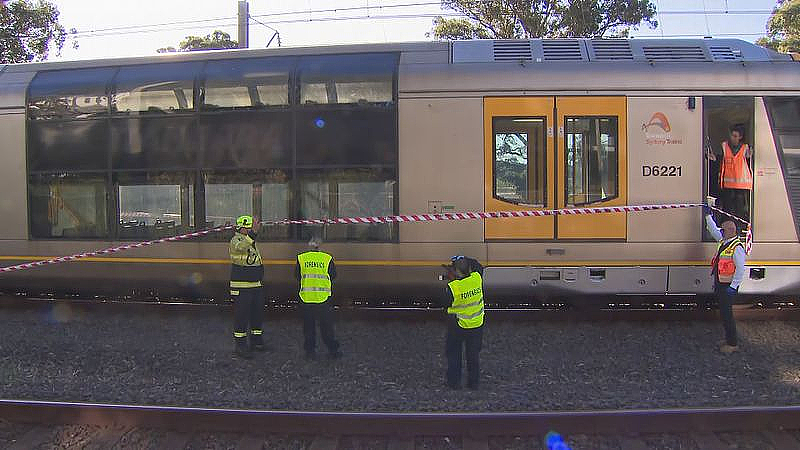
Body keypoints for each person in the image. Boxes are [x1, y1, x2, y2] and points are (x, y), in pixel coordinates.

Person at [705, 206, 746, 354]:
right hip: (721, 283)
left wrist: (733, 287)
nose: (721, 232)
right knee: (723, 312)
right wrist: (708, 217)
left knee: (727, 314)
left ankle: (732, 343)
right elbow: (714, 230)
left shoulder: (737, 248)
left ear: (731, 231)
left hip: (727, 286)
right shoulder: (724, 241)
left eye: (723, 230)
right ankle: (728, 338)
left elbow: (740, 269)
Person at [440, 255, 485, 389]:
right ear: (469, 269)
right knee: (473, 356)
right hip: (477, 325)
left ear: (456, 272)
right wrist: (464, 259)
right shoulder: (477, 278)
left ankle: (454, 383)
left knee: (454, 354)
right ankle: (473, 383)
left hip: (457, 326)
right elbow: (478, 265)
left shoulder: (453, 288)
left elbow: (444, 304)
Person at [295, 237, 341, 359]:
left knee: (308, 327)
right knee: (326, 327)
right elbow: (333, 275)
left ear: (309, 246)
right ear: (320, 246)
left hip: (306, 298)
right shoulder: (327, 258)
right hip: (323, 298)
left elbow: (297, 276)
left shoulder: (301, 258)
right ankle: (333, 350)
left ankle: (310, 352)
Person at [229, 215, 265, 359]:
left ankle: (256, 341)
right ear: (242, 227)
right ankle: (240, 345)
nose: (251, 230)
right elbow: (242, 248)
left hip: (255, 285)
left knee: (257, 314)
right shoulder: (236, 240)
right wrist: (253, 234)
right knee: (241, 316)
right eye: (249, 227)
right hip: (241, 286)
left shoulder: (250, 240)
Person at [706, 124, 753, 221]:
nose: (733, 138)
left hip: (741, 186)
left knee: (739, 209)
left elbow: (749, 162)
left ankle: (739, 228)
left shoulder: (745, 148)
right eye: (732, 135)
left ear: (740, 137)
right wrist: (713, 159)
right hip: (727, 184)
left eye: (735, 136)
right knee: (727, 208)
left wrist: (749, 155)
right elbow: (720, 159)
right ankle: (727, 227)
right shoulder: (724, 146)